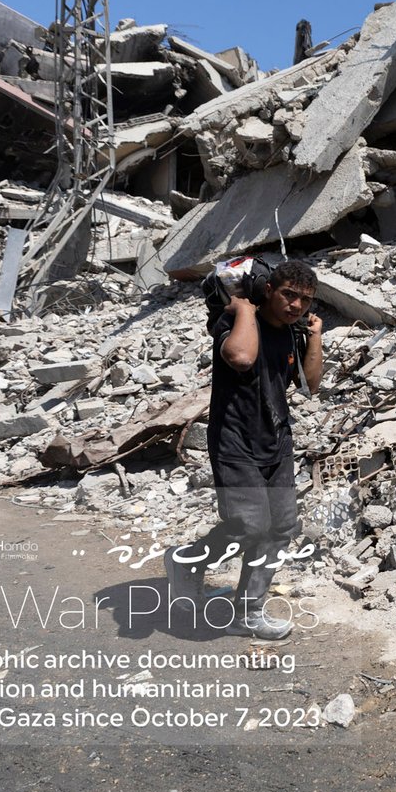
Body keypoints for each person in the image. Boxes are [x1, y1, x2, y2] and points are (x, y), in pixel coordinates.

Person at [167, 260, 323, 639]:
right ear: (268, 289)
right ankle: (188, 561)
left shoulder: (292, 332)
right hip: (234, 440)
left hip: (276, 440)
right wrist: (244, 310)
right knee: (249, 526)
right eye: (288, 294)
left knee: (281, 527)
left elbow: (310, 385)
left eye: (305, 300)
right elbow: (241, 358)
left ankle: (248, 612)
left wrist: (315, 335)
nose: (296, 305)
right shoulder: (233, 321)